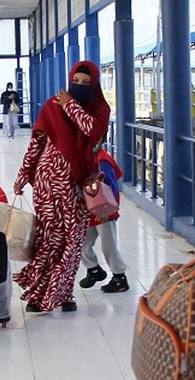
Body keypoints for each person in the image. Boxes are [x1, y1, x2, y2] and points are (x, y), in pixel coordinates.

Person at [13, 61, 110, 313]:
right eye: (75, 81)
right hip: (48, 182)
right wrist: (23, 174)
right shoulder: (51, 107)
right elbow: (36, 144)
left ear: (95, 85)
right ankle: (38, 296)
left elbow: (91, 129)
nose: (79, 86)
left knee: (73, 241)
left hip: (79, 185)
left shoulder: (99, 109)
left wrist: (70, 104)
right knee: (48, 239)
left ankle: (65, 292)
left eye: (86, 83)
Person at [78, 148, 129, 293]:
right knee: (82, 243)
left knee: (109, 246)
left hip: (104, 210)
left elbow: (112, 186)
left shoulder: (102, 160)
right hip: (91, 209)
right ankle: (93, 270)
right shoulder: (87, 157)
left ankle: (120, 277)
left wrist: (106, 210)